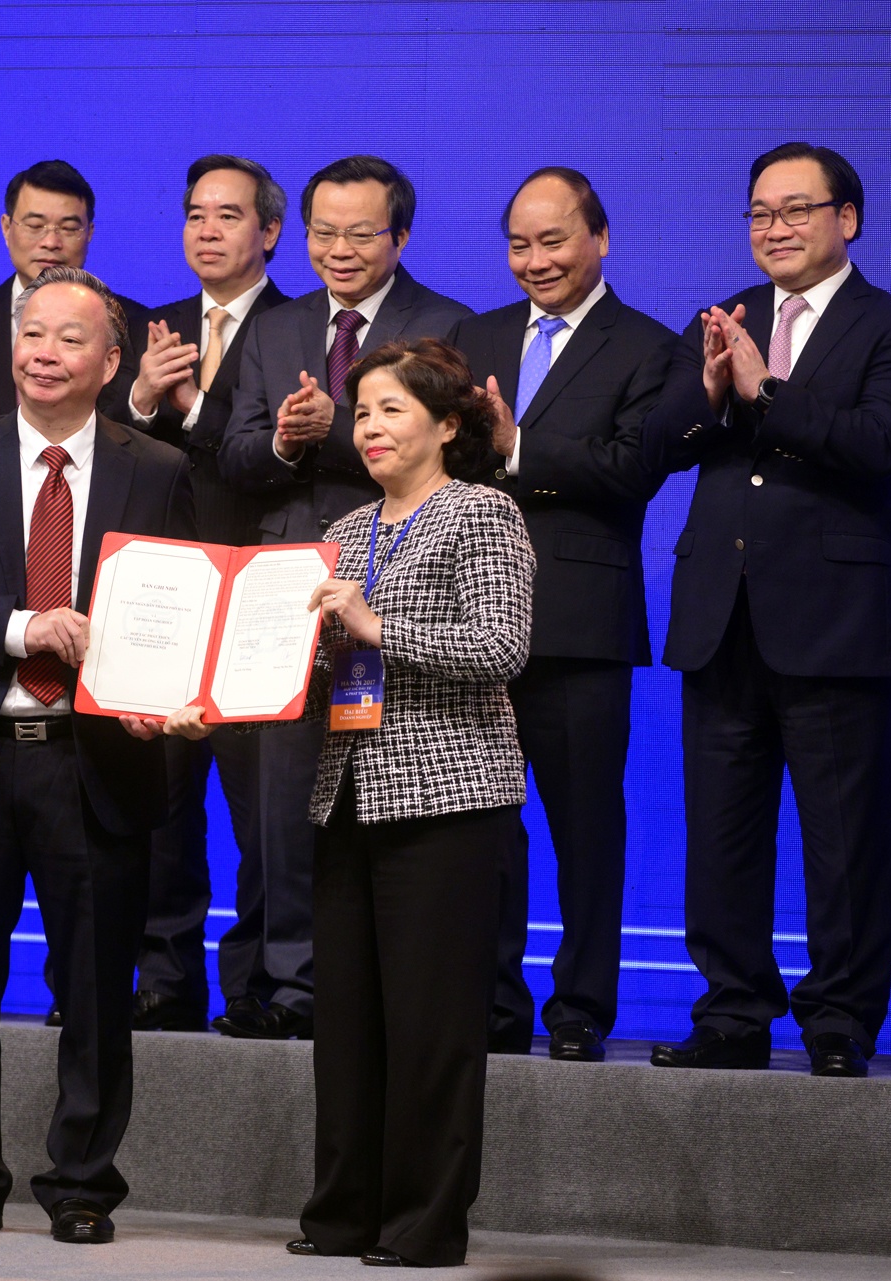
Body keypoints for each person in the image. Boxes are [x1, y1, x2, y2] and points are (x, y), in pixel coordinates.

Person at [164, 338, 532, 1266]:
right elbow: (300, 668)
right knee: (350, 1020)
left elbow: (501, 648)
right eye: (361, 411)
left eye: (391, 410)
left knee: (433, 1027)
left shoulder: (483, 513)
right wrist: (216, 700)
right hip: (349, 796)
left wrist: (379, 626)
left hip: (447, 800)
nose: (368, 426)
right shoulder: (349, 531)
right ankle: (343, 1212)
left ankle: (422, 1223)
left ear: (449, 426)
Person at [0, 267, 192, 1246]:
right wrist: (26, 628)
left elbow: (178, 611)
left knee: (99, 989)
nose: (44, 351)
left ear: (111, 362)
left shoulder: (158, 471)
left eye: (69, 339)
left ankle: (83, 1182)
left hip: (94, 760)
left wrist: (167, 698)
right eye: (32, 334)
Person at [641, 143, 891, 1077]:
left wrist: (766, 391)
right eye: (761, 213)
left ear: (847, 218)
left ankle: (841, 1017)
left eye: (796, 210)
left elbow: (875, 444)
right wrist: (713, 389)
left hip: (834, 619)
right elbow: (661, 443)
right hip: (720, 615)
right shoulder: (723, 319)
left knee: (845, 838)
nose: (775, 229)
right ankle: (732, 1011)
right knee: (721, 830)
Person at [213, 154, 472, 1041]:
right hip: (288, 585)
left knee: (378, 789)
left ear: (399, 234)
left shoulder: (446, 323)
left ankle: (370, 985)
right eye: (324, 232)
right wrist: (285, 444)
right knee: (279, 798)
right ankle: (290, 985)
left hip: (395, 588)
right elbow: (234, 458)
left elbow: (453, 455)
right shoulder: (277, 325)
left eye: (362, 233)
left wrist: (332, 435)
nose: (340, 249)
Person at [448, 166, 672, 1061]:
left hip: (579, 623)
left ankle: (580, 1003)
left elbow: (632, 469)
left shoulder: (649, 346)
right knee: (483, 826)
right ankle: (493, 1001)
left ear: (601, 237)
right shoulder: (477, 335)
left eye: (554, 240)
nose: (534, 260)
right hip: (470, 626)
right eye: (519, 244)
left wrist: (516, 447)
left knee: (586, 825)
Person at [118, 154, 289, 1032]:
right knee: (161, 801)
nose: (208, 230)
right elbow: (111, 449)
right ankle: (163, 978)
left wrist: (188, 409)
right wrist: (142, 401)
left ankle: (258, 983)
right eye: (195, 214)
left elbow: (272, 455)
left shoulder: (301, 327)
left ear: (269, 230)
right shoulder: (154, 327)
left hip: (261, 591)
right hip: (166, 591)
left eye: (228, 215)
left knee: (264, 809)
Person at [0, 160, 143, 431]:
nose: (51, 242)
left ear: (89, 232)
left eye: (68, 228)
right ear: (7, 227)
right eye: (35, 225)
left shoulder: (133, 322)